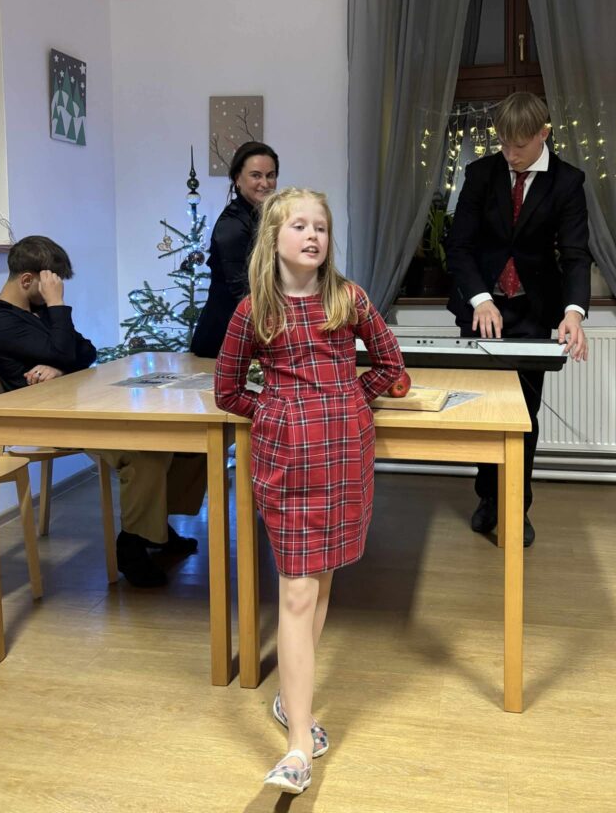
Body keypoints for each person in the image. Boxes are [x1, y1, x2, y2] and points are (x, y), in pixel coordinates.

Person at [214, 187, 404, 794]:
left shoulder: (349, 299)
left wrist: (347, 401)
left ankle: (289, 702)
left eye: (320, 226)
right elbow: (227, 391)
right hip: (288, 460)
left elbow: (392, 367)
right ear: (274, 237)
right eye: (299, 225)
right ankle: (299, 743)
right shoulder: (254, 311)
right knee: (298, 589)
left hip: (344, 454)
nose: (312, 236)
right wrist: (278, 412)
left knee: (319, 584)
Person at [0, 235, 207, 588]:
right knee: (146, 457)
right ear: (27, 280)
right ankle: (132, 546)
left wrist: (58, 365)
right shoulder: (0, 323)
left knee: (187, 445)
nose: (55, 293)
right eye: (50, 285)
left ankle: (153, 528)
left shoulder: (40, 313)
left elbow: (85, 351)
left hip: (72, 407)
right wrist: (57, 309)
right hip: (43, 420)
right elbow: (66, 351)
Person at [446, 92, 591, 547]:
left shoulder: (567, 182)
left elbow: (575, 254)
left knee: (523, 415)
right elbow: (459, 247)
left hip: (531, 311)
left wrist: (573, 312)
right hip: (481, 308)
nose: (510, 154)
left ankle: (516, 506)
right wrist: (480, 299)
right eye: (504, 143)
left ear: (543, 134)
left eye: (520, 145)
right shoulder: (481, 174)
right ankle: (488, 498)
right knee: (482, 411)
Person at [190, 141, 279, 358]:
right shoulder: (231, 225)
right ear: (238, 179)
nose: (265, 183)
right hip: (224, 341)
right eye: (256, 175)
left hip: (249, 335)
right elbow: (243, 291)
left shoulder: (263, 216)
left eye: (270, 175)